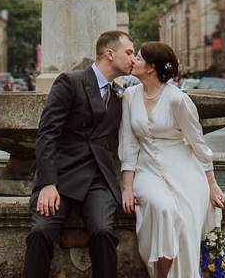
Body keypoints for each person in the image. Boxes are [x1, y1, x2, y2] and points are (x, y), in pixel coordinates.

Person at [22, 30, 136, 278]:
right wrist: (48, 183)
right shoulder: (70, 82)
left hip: (98, 179)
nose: (134, 59)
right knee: (40, 232)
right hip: (61, 177)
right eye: (129, 52)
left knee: (104, 232)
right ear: (109, 53)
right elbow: (47, 134)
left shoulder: (121, 95)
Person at [120, 41, 225, 278]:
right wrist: (127, 186)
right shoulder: (129, 96)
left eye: (138, 57)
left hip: (184, 171)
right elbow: (128, 144)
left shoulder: (177, 100)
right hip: (147, 170)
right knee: (163, 209)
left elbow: (198, 144)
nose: (133, 60)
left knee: (185, 224)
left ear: (151, 68)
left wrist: (211, 183)